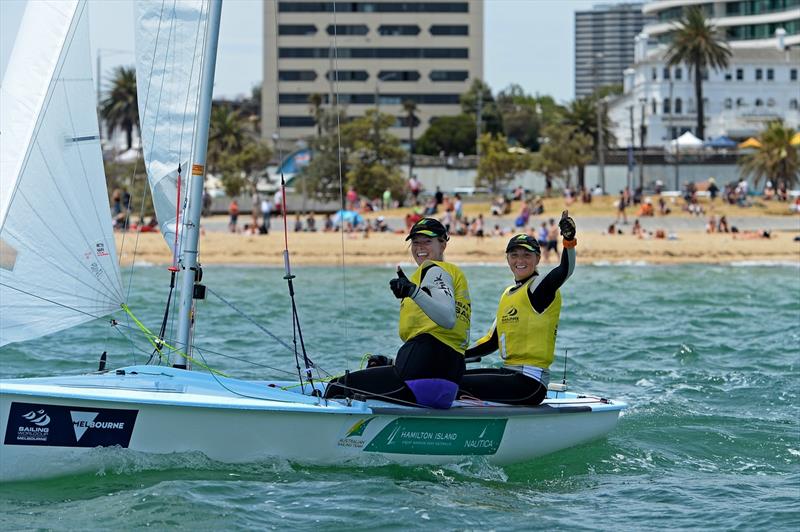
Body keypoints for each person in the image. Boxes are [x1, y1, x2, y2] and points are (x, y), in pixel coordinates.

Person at [324, 218, 471, 409]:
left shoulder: (434, 270)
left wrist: (412, 291)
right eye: (415, 242)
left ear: (443, 243)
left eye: (427, 241)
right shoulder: (446, 275)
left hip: (422, 374)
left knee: (336, 387)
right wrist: (391, 363)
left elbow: (448, 318)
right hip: (446, 380)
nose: (420, 247)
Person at [458, 211, 577, 406]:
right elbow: (491, 342)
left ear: (537, 258)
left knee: (452, 383)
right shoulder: (508, 294)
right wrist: (455, 355)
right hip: (510, 374)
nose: (520, 260)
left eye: (526, 255)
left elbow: (565, 270)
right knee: (451, 374)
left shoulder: (538, 288)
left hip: (530, 383)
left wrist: (569, 239)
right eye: (514, 255)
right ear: (507, 259)